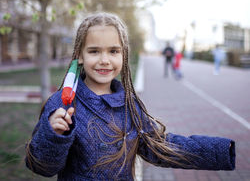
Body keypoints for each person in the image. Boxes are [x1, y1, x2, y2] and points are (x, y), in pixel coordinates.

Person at [25, 13, 235, 180]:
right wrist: (53, 134)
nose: (105, 60)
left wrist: (219, 151)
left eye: (114, 51)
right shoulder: (62, 104)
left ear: (124, 55)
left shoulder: (129, 106)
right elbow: (42, 166)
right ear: (80, 55)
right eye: (94, 51)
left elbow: (160, 147)